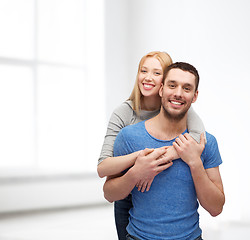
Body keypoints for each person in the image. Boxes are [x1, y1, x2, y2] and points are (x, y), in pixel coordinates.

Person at [103, 62, 225, 240]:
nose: (178, 93)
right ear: (161, 89)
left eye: (187, 88)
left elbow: (216, 208)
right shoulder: (128, 137)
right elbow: (109, 194)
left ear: (195, 95)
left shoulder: (205, 142)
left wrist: (195, 162)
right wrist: (136, 172)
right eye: (172, 85)